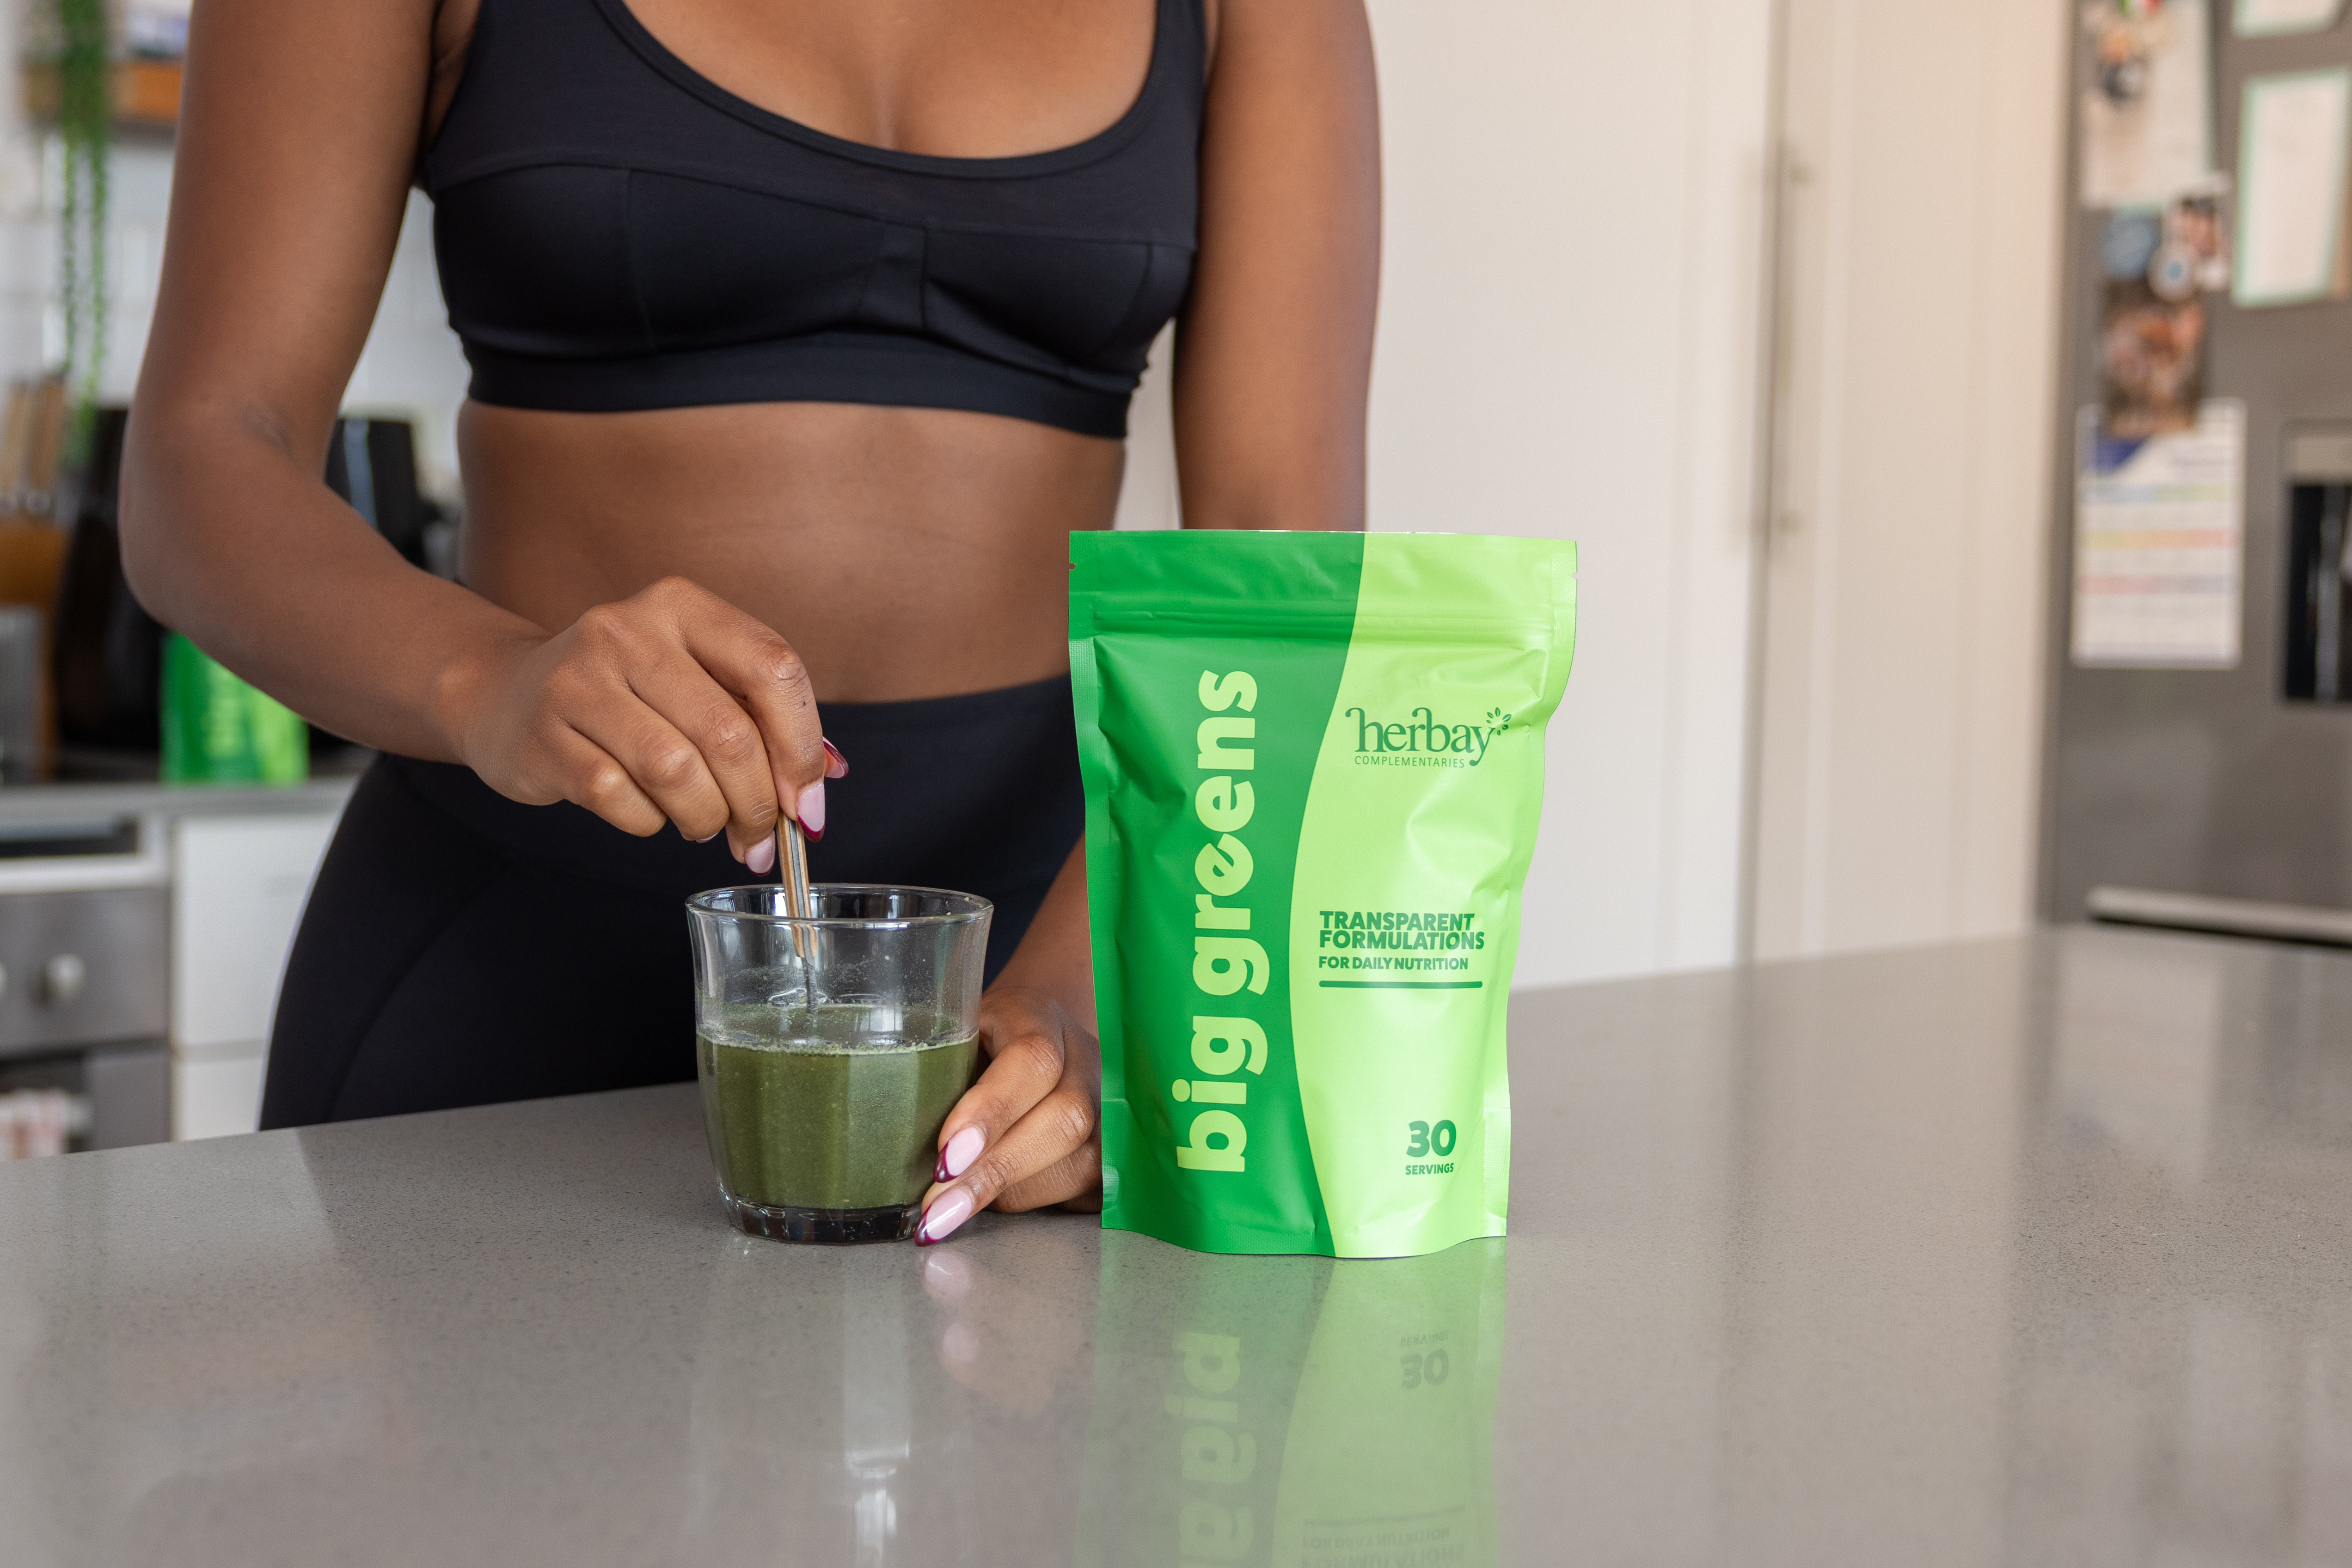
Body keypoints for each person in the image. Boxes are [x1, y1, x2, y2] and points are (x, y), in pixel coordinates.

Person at [120, 0, 1378, 1243]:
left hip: (1035, 973)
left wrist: (1098, 969)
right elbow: (201, 464)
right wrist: (493, 677)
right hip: (512, 952)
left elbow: (1277, 569)